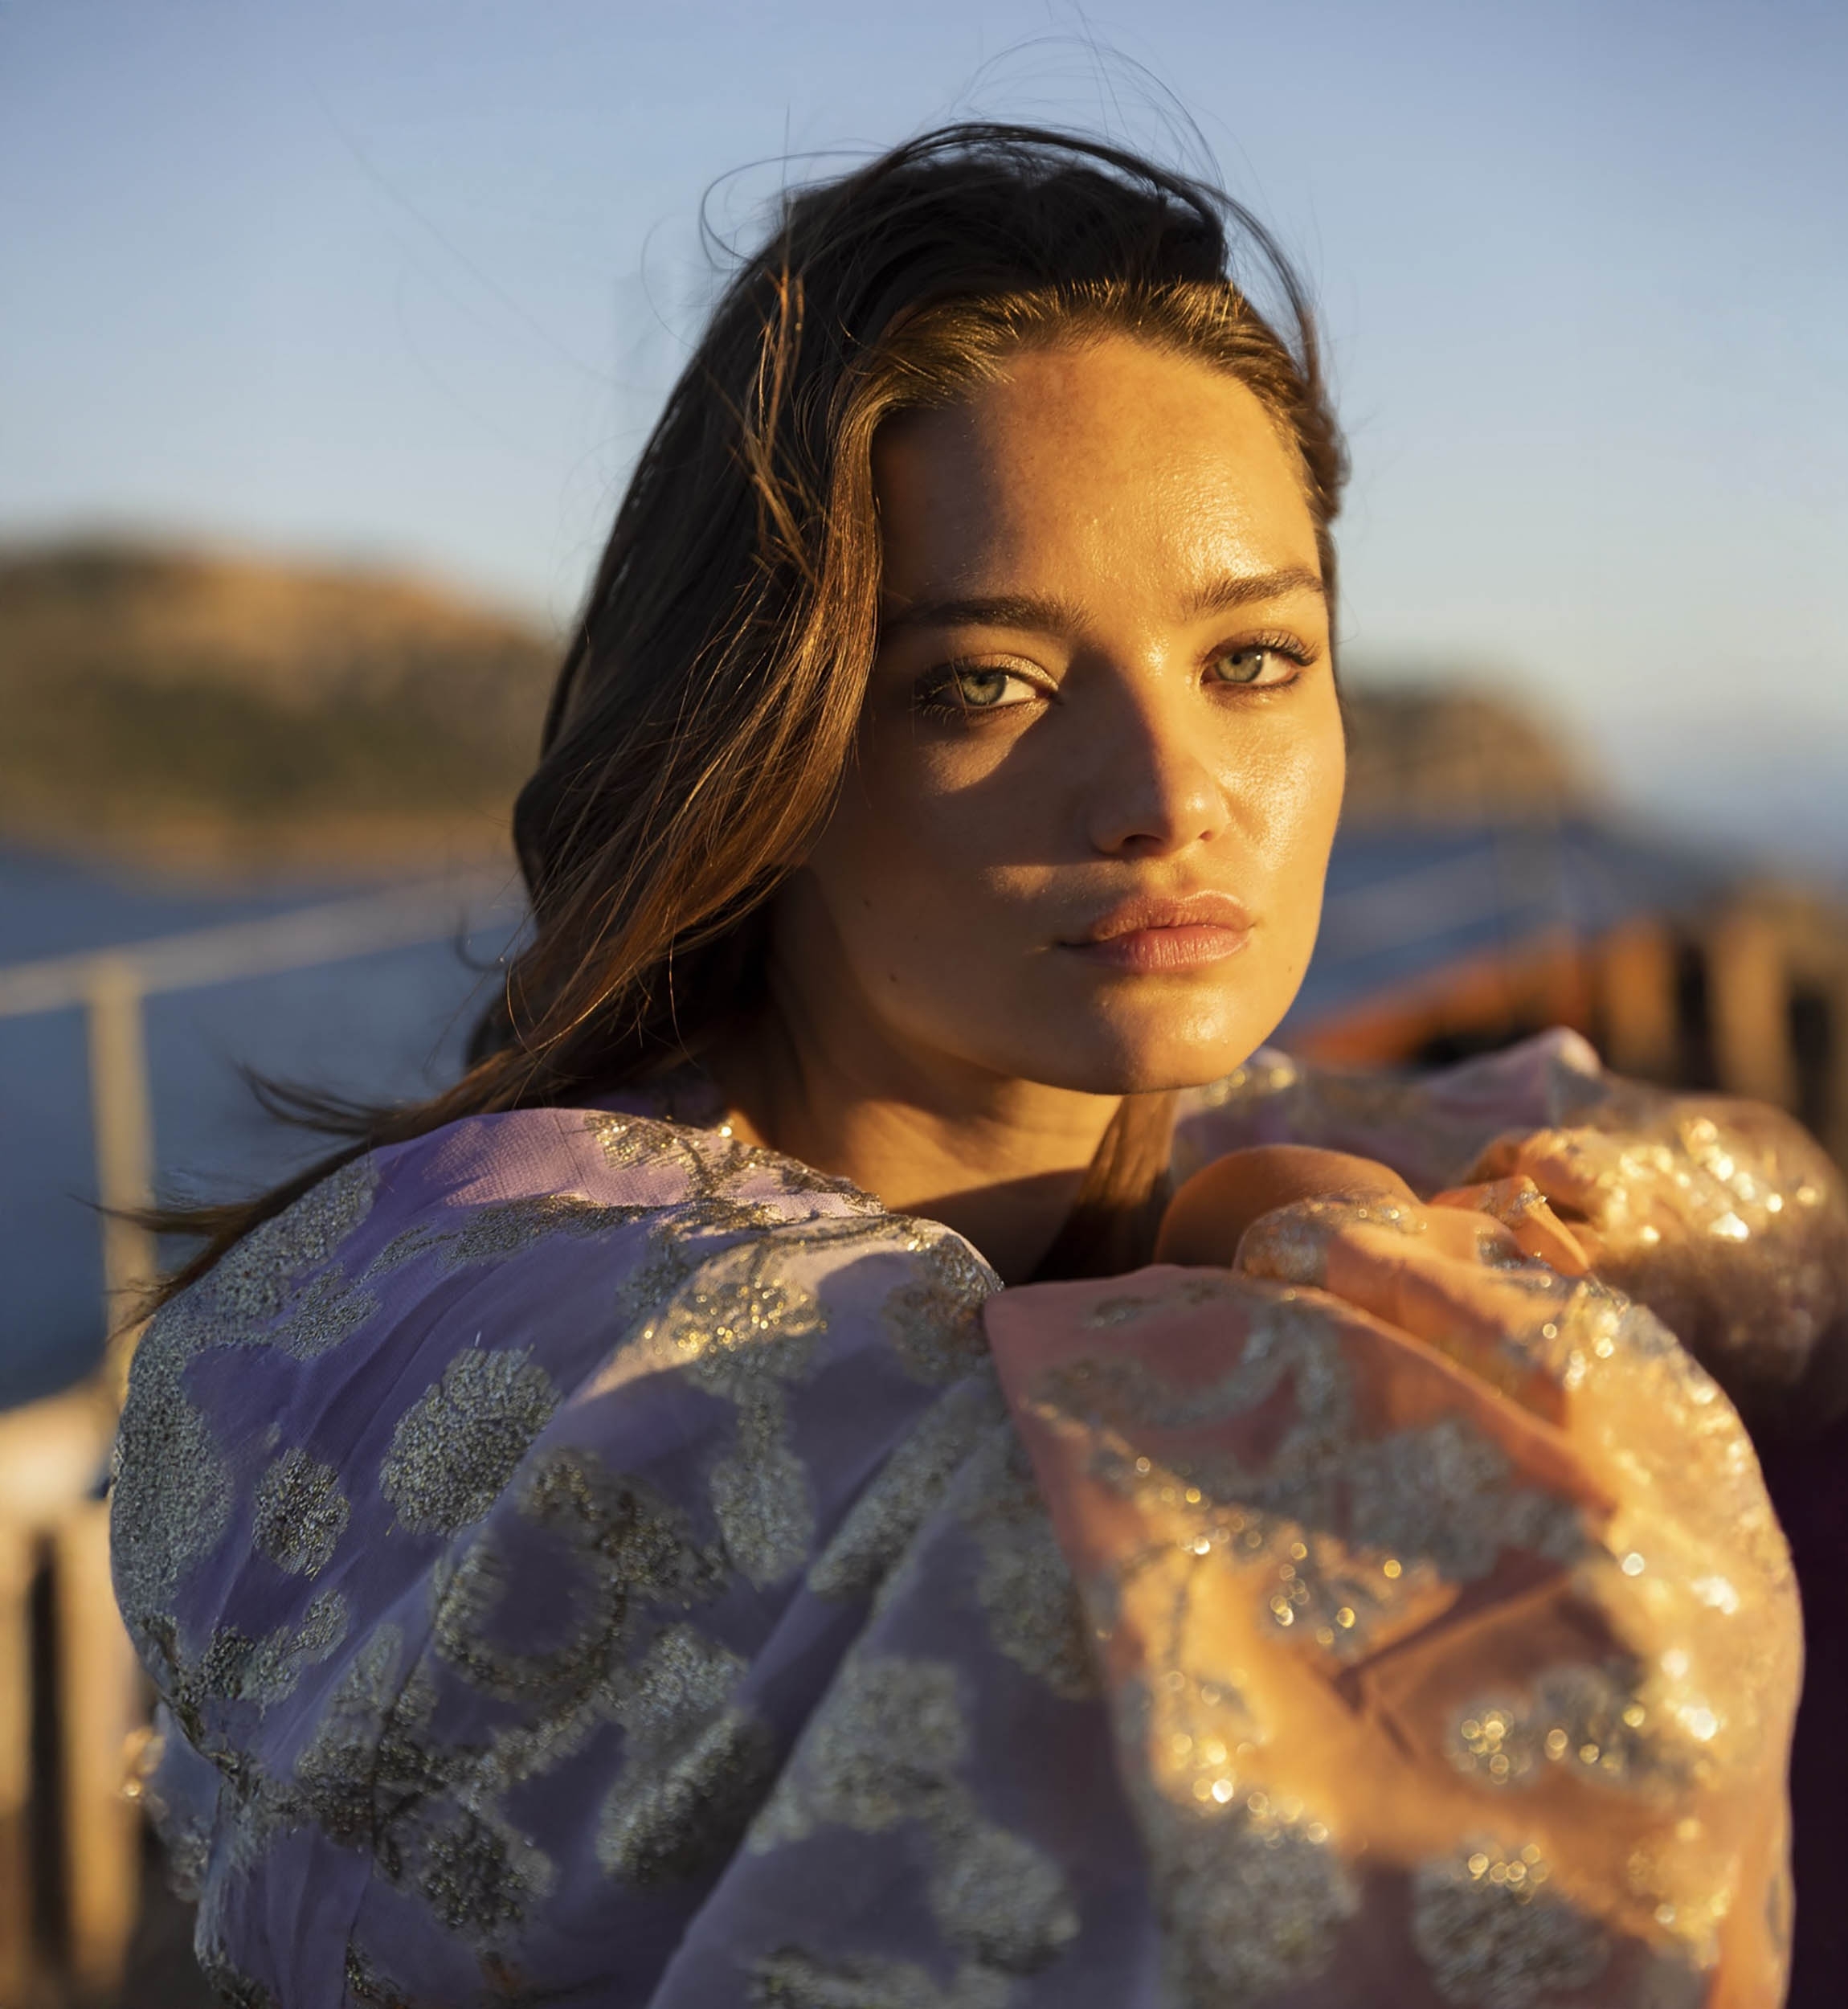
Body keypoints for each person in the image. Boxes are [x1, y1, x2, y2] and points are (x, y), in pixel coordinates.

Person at [112, 125, 1846, 2007]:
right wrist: (1309, 1228)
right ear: (759, 741)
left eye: (1253, 658)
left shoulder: (1285, 1135)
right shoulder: (558, 1331)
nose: (1171, 798)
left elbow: (1773, 1219)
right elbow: (1529, 1680)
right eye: (983, 683)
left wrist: (1282, 1195)